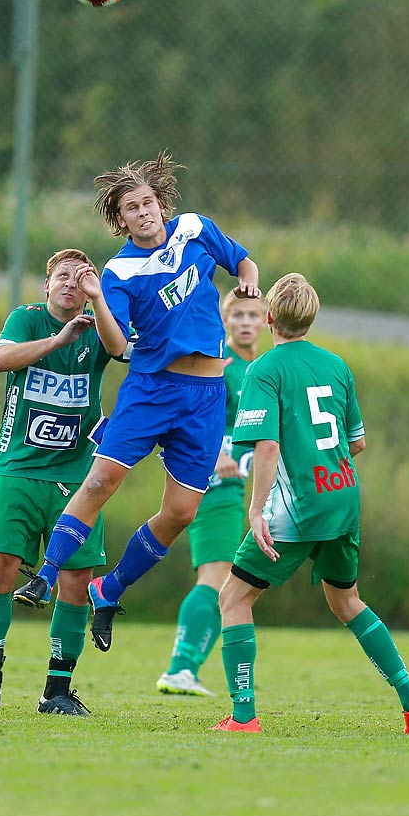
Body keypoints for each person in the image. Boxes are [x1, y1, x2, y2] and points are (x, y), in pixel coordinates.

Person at [12, 154, 260, 662]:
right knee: (101, 482)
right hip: (151, 388)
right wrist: (100, 299)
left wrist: (249, 282)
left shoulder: (195, 229)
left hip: (205, 398)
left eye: (148, 202)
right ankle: (45, 576)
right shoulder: (121, 271)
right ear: (119, 218)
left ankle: (110, 590)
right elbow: (119, 343)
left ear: (162, 204)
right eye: (132, 207)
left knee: (182, 511)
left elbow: (244, 262)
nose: (144, 211)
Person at [214, 273, 409, 735]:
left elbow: (267, 447)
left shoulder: (266, 369)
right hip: (343, 495)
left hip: (301, 502)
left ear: (270, 318)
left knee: (234, 597)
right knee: (347, 601)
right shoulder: (337, 365)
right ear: (312, 318)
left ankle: (243, 716)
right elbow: (357, 443)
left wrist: (256, 510)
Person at [0, 249, 128, 716]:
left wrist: (100, 304)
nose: (72, 284)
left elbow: (120, 351)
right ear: (47, 285)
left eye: (82, 278)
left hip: (77, 476)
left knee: (76, 580)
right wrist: (58, 339)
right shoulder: (28, 319)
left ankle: (57, 689)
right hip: (17, 468)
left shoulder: (98, 327)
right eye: (63, 277)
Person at [155, 289, 266, 696]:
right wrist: (217, 451)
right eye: (237, 315)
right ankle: (181, 666)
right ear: (225, 321)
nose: (246, 322)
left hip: (245, 485)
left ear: (267, 321)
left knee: (230, 581)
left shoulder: (262, 366)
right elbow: (192, 413)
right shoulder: (220, 365)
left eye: (254, 314)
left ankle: (185, 667)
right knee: (217, 576)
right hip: (216, 481)